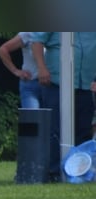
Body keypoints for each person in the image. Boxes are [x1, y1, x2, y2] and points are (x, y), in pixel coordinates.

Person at [30, 32, 96, 182]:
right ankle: (54, 172)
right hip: (57, 84)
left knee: (83, 130)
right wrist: (41, 68)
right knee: (55, 129)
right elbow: (36, 42)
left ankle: (81, 172)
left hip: (84, 85)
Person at [0, 32, 42, 109]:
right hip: (31, 84)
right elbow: (2, 50)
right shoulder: (28, 33)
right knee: (32, 119)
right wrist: (15, 71)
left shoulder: (58, 35)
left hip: (52, 86)